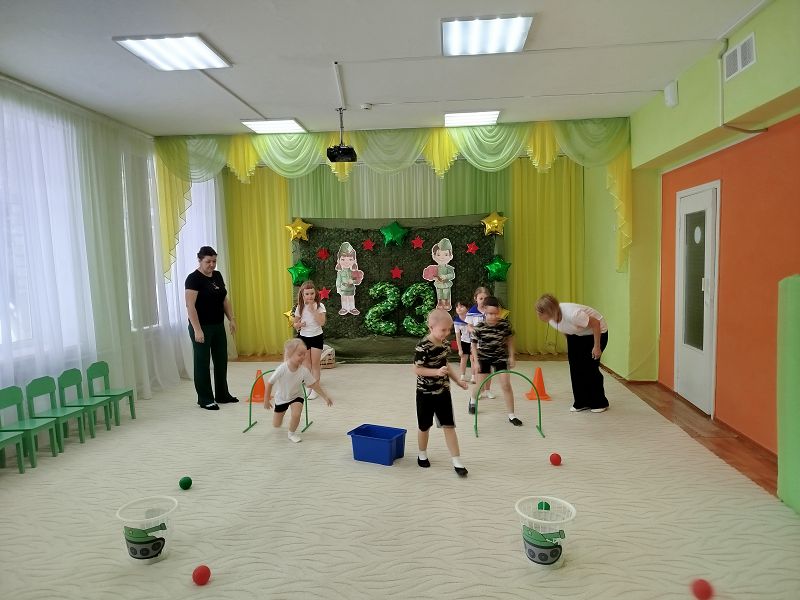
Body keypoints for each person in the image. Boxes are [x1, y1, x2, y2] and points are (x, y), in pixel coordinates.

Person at [413, 309, 470, 477]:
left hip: (443, 392)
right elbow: (417, 369)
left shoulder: (445, 344)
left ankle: (457, 460)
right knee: (424, 426)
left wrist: (457, 380)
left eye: (449, 330)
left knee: (449, 425)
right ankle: (422, 454)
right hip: (425, 393)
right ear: (431, 327)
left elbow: (446, 365)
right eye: (443, 330)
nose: (447, 333)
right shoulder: (423, 346)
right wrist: (435, 372)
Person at [535, 293, 609, 413]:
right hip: (577, 335)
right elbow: (565, 328)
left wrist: (597, 347)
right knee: (575, 367)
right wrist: (572, 346)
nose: (538, 315)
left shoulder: (573, 314)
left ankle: (600, 402)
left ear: (549, 311)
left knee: (589, 368)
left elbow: (596, 323)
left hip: (596, 333)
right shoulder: (551, 320)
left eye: (540, 312)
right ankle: (581, 402)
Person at [185, 246, 238, 410]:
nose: (212, 265)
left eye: (214, 261)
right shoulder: (193, 279)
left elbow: (224, 300)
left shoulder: (217, 275)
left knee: (221, 361)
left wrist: (231, 319)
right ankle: (205, 398)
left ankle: (222, 394)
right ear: (200, 260)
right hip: (201, 327)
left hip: (218, 326)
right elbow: (190, 306)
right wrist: (197, 330)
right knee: (202, 363)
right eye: (208, 261)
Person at [264, 338, 333, 443]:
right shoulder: (282, 368)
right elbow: (270, 383)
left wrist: (325, 396)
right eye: (299, 354)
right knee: (276, 424)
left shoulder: (304, 371)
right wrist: (266, 399)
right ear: (290, 354)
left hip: (296, 396)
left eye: (304, 354)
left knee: (296, 414)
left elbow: (314, 384)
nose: (303, 357)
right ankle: (279, 419)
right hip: (282, 398)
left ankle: (291, 433)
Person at [469, 296, 522, 426]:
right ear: (484, 311)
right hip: (484, 357)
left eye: (496, 313)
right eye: (490, 314)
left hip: (500, 357)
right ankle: (473, 399)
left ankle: (511, 415)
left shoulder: (504, 325)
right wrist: (476, 362)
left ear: (499, 311)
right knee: (480, 387)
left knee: (506, 385)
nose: (493, 317)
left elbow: (510, 340)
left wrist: (511, 356)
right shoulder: (480, 327)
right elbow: (473, 345)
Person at [293, 281, 326, 400]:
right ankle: (309, 386)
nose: (310, 296)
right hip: (304, 338)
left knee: (315, 364)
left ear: (315, 293)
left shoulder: (320, 306)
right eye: (307, 294)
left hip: (316, 337)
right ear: (303, 295)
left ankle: (315, 389)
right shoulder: (300, 307)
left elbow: (322, 322)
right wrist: (299, 324)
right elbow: (295, 324)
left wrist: (313, 311)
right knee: (306, 364)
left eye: (312, 293)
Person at [465, 287, 495, 399]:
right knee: (478, 369)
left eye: (485, 298)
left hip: (489, 345)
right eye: (480, 298)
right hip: (476, 346)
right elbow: (468, 326)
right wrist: (474, 331)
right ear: (475, 299)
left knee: (488, 368)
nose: (483, 300)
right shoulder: (471, 312)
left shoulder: (491, 311)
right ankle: (480, 390)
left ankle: (488, 390)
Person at [453, 300, 473, 382]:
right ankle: (462, 375)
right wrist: (460, 349)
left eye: (461, 306)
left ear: (467, 308)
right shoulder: (456, 321)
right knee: (463, 359)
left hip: (473, 341)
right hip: (464, 341)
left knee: (473, 359)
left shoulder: (471, 317)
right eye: (457, 307)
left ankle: (473, 376)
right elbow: (457, 336)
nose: (459, 308)